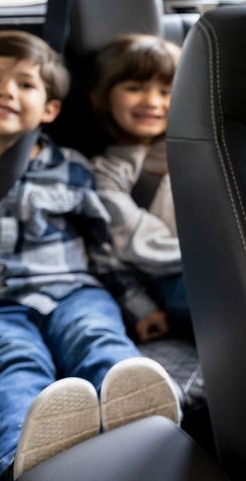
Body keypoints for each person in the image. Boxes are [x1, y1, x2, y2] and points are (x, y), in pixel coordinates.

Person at [0, 30, 180, 481]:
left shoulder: (74, 169)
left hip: (74, 294)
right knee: (12, 361)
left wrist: (137, 304)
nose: (7, 91)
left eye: (25, 84)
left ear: (50, 109)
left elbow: (101, 249)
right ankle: (17, 465)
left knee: (97, 337)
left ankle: (146, 433)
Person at [90, 33, 189, 332]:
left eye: (166, 91)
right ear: (103, 96)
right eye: (134, 89)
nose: (152, 102)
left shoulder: (197, 151)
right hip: (169, 278)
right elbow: (138, 243)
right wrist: (222, 259)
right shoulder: (105, 171)